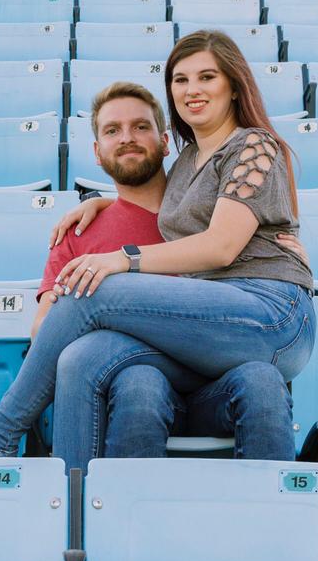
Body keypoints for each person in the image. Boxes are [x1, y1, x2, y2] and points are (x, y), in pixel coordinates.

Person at [0, 30, 314, 459]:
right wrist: (103, 203)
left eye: (207, 77)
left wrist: (121, 258)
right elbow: (160, 203)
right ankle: (76, 501)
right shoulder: (187, 161)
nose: (192, 90)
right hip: (216, 327)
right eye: (180, 80)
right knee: (84, 356)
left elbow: (221, 246)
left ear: (234, 85)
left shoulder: (252, 143)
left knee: (93, 286)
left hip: (269, 314)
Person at [34, 80, 294, 466]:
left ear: (166, 142)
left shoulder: (213, 214)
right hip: (130, 390)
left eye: (141, 127)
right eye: (112, 130)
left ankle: (275, 516)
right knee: (141, 383)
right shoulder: (76, 233)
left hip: (217, 387)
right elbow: (44, 334)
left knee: (262, 379)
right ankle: (111, 512)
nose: (127, 138)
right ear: (96, 151)